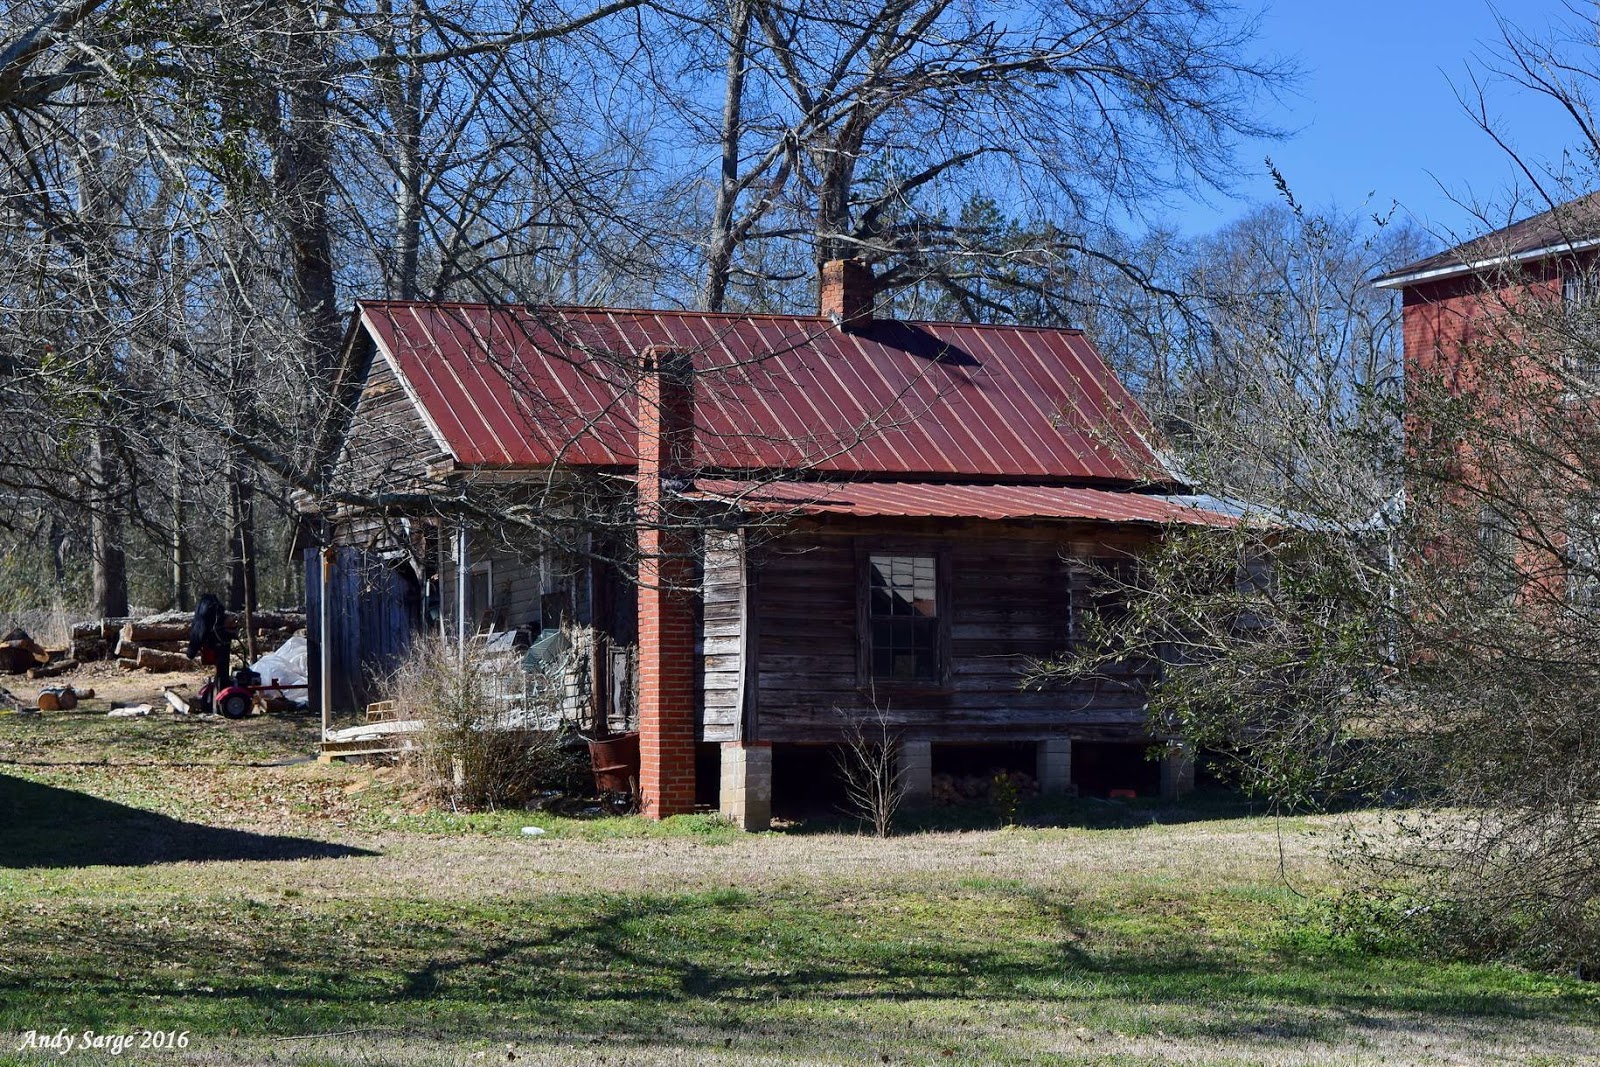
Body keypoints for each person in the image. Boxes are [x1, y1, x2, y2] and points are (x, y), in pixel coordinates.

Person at [187, 594, 231, 692]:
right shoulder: (211, 610)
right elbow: (200, 630)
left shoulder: (205, 610)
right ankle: (221, 687)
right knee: (222, 670)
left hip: (214, 643)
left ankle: (222, 686)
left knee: (222, 671)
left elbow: (199, 630)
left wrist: (192, 651)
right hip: (215, 643)